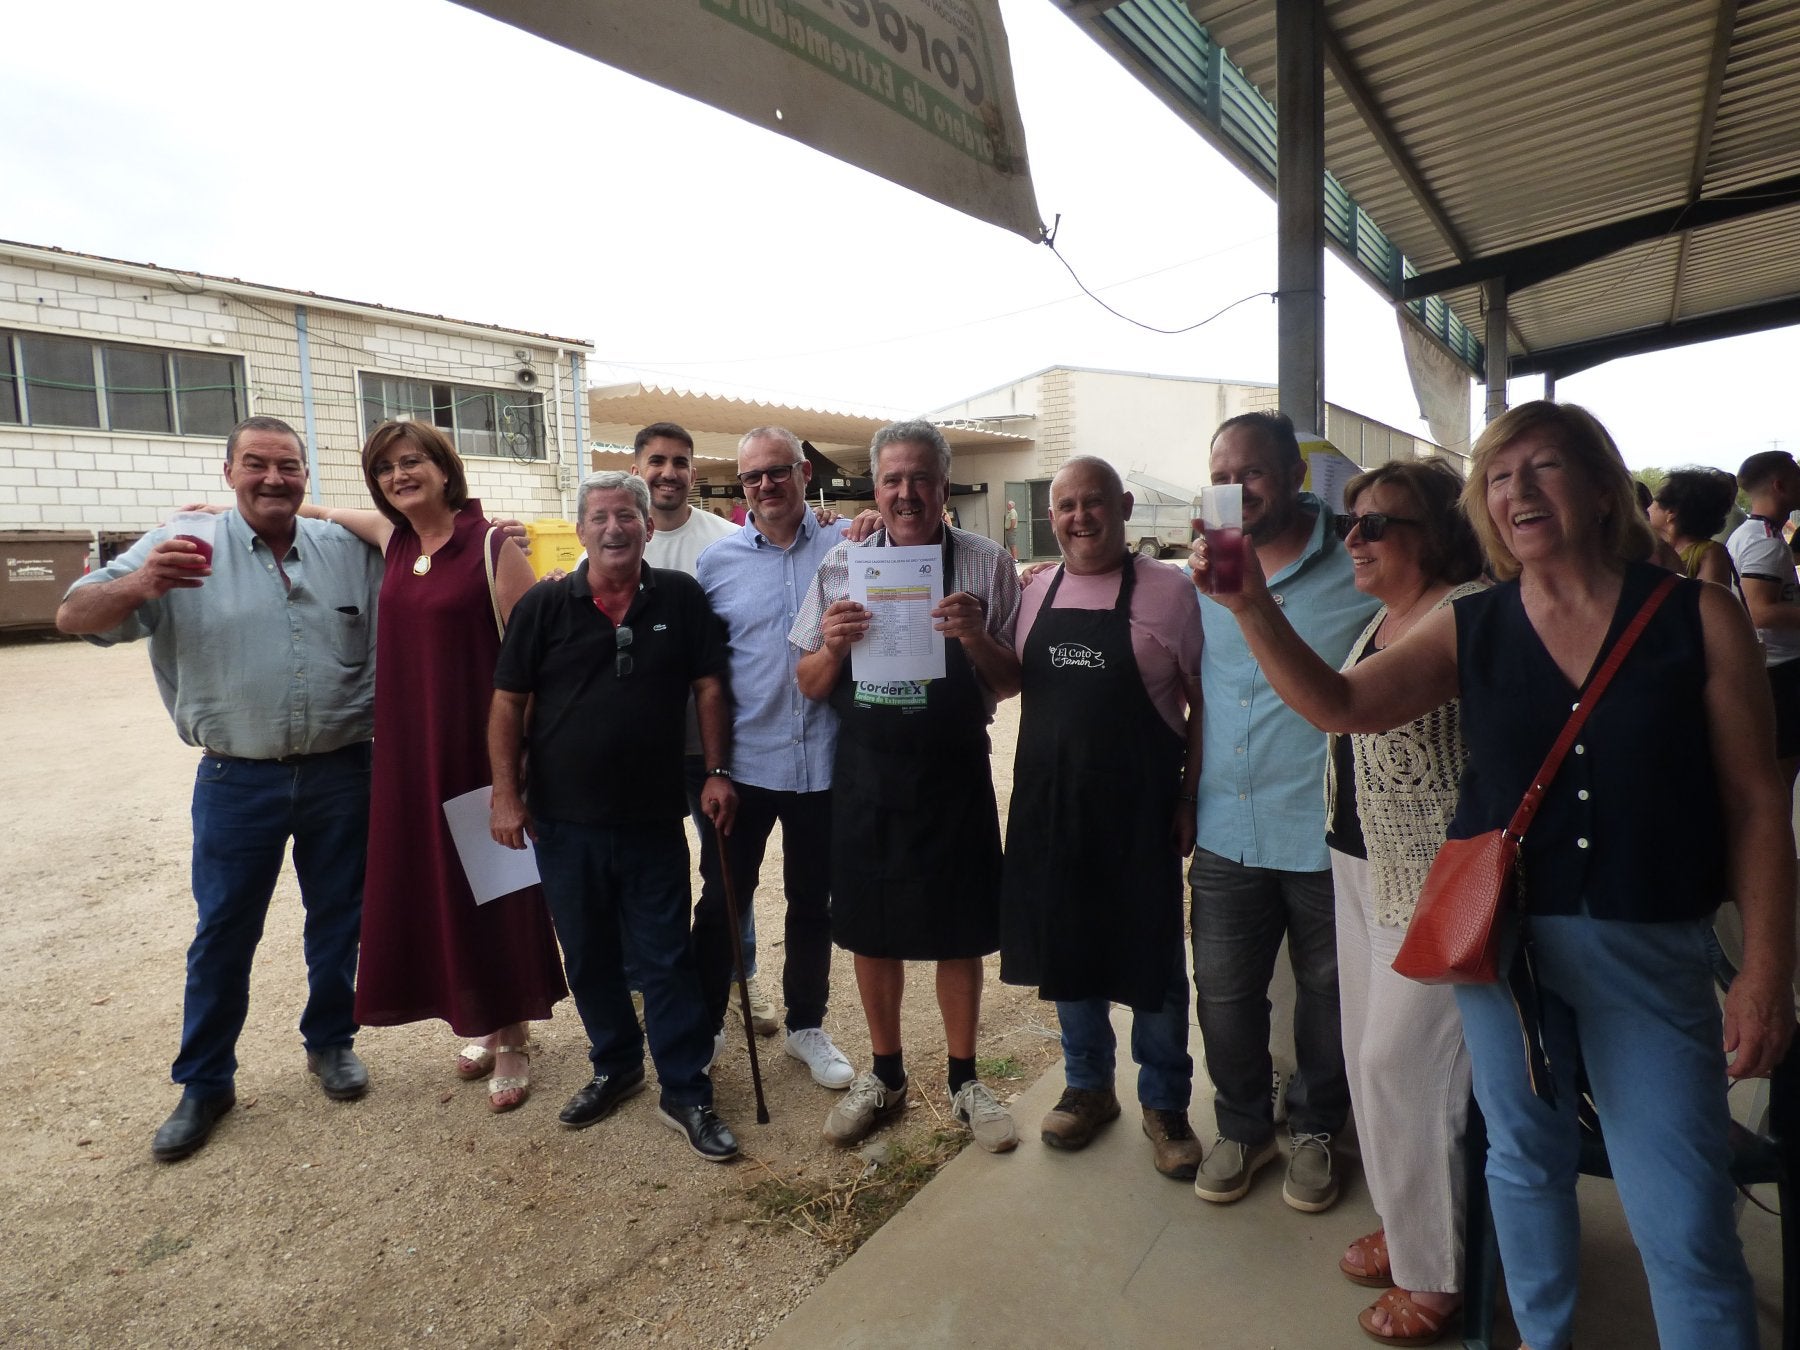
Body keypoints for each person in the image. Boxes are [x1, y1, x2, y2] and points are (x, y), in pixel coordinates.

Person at [1196, 400, 1794, 1350]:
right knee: (1523, 1166)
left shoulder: (1697, 615)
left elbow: (1760, 803)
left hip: (1647, 951)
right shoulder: (1476, 623)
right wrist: (1251, 608)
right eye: (1500, 477)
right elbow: (1345, 707)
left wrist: (1766, 973)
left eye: (1544, 467)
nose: (1518, 490)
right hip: (1502, 950)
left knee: (1681, 1216)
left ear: (1604, 487)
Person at [57, 416, 383, 1162]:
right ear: (229, 470)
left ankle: (330, 1041)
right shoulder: (181, 547)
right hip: (238, 779)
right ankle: (206, 1081)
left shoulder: (344, 551)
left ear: (307, 474)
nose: (275, 479)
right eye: (258, 465)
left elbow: (429, 561)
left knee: (339, 919)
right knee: (224, 933)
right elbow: (74, 614)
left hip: (343, 771)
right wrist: (143, 582)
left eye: (289, 466)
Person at [304, 419, 567, 1113]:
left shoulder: (491, 547)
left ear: (444, 469)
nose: (399, 476)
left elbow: (533, 663)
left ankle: (512, 1033)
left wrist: (524, 767)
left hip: (478, 750)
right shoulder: (394, 542)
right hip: (409, 753)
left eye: (411, 461)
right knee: (441, 888)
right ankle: (477, 1014)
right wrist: (227, 508)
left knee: (499, 888)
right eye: (385, 469)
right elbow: (327, 509)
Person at [488, 471, 742, 1162]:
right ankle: (616, 1065)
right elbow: (508, 702)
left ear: (647, 526)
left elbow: (709, 685)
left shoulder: (680, 598)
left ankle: (686, 1089)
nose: (614, 527)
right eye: (600, 516)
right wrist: (505, 794)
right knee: (591, 955)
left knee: (663, 957)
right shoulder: (544, 605)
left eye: (626, 515)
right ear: (580, 530)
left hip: (651, 820)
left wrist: (718, 771)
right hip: (561, 824)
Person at [792, 420, 1023, 1153]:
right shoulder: (841, 565)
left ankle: (964, 1079)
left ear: (943, 487)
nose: (905, 491)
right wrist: (832, 645)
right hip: (866, 775)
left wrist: (977, 637)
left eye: (920, 477)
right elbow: (806, 682)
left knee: (959, 927)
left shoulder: (988, 566)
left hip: (954, 772)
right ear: (876, 488)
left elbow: (1011, 681)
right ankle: (884, 1073)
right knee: (869, 927)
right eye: (892, 479)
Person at [1188, 410, 1379, 1211]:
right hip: (1227, 825)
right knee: (1226, 994)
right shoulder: (1204, 571)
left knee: (1329, 997)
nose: (1236, 490)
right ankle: (1241, 1127)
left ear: (1298, 476)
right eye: (1222, 476)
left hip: (1325, 826)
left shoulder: (1358, 563)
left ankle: (1313, 1127)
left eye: (1253, 473)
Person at [997, 457, 1206, 1179]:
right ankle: (1088, 1086)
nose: (1079, 517)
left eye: (1093, 503)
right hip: (1051, 805)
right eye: (1065, 506)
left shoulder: (1171, 593)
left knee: (1151, 957)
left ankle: (1165, 1100)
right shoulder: (1033, 592)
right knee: (1069, 947)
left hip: (1140, 806)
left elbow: (1200, 702)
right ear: (1050, 516)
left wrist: (1188, 797)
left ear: (1122, 506)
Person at [1321, 459, 1485, 1346]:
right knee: (1363, 1058)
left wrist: (1245, 604)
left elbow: (1341, 710)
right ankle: (1407, 1219)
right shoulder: (1386, 617)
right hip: (1361, 866)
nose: (1356, 537)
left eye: (1379, 522)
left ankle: (1438, 1272)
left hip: (1433, 883)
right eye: (1353, 521)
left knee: (1403, 1068)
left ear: (1437, 533)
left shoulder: (1463, 610)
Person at [693, 426, 856, 1092]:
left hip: (827, 762)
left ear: (804, 473)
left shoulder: (851, 544)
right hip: (747, 766)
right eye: (752, 476)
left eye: (777, 471)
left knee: (812, 904)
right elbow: (707, 676)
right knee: (721, 903)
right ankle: (703, 1025)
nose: (765, 485)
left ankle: (805, 1026)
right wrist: (714, 766)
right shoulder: (718, 564)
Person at [628, 421, 772, 1035]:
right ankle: (648, 982)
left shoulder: (726, 540)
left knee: (725, 874)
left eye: (680, 461)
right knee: (644, 872)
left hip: (714, 746)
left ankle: (742, 981)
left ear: (694, 471)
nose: (668, 472)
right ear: (638, 470)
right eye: (657, 460)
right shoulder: (614, 535)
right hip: (642, 750)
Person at [1728, 450, 1800, 789]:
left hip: (1774, 667)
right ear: (1780, 485)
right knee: (1781, 775)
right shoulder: (1765, 542)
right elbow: (1761, 611)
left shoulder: (1750, 534)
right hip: (1781, 670)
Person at [1649, 468, 1739, 591]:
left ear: (1671, 513)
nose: (1648, 509)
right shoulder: (1654, 548)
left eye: (1654, 503)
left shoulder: (1710, 552)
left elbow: (1711, 599)